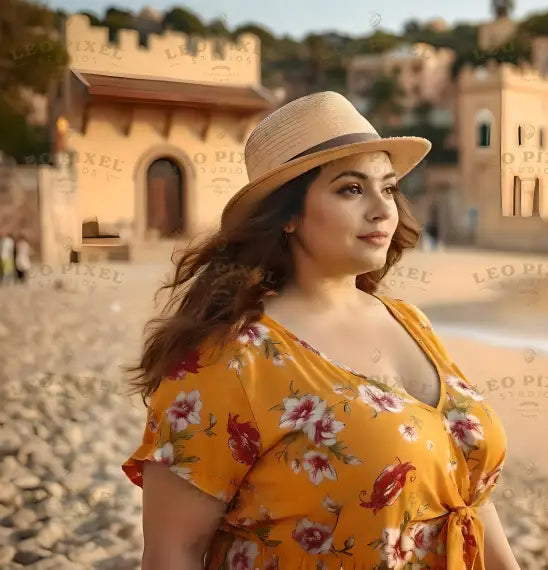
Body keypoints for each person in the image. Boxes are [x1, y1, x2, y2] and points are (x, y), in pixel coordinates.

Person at [120, 91, 518, 570]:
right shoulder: (230, 360)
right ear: (287, 215)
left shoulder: (411, 321)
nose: (382, 209)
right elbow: (172, 553)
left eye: (388, 188)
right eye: (351, 189)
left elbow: (474, 503)